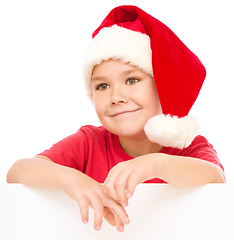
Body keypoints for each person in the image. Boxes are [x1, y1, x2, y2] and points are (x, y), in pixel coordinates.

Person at [7, 5, 225, 232]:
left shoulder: (188, 148)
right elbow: (18, 172)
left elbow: (215, 178)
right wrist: (68, 178)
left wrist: (157, 165)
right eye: (102, 86)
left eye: (131, 80)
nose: (116, 97)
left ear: (161, 84)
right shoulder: (89, 142)